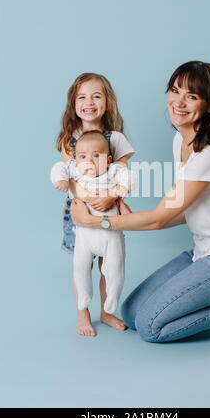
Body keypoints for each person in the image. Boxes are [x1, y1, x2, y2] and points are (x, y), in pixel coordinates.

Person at [70, 61, 210, 344]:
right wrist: (129, 216)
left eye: (192, 96)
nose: (178, 102)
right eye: (175, 90)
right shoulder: (182, 138)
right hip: (204, 249)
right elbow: (179, 209)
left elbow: (161, 218)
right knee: (130, 313)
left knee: (151, 327)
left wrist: (99, 221)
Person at [56, 73, 135, 336]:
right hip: (80, 208)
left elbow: (122, 172)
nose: (89, 102)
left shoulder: (116, 137)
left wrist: (112, 197)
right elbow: (69, 177)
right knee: (82, 263)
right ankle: (83, 312)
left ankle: (107, 311)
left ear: (107, 103)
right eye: (82, 97)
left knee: (108, 262)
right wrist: (90, 200)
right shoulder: (70, 139)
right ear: (73, 105)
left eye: (96, 96)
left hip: (109, 208)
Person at [51, 130, 137, 317]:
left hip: (110, 234)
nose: (88, 161)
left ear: (107, 160)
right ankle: (84, 295)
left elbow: (130, 176)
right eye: (82, 156)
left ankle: (112, 297)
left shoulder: (113, 171)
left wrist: (122, 188)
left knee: (115, 266)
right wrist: (60, 180)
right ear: (76, 159)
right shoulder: (75, 169)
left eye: (96, 156)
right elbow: (59, 167)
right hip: (85, 234)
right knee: (80, 265)